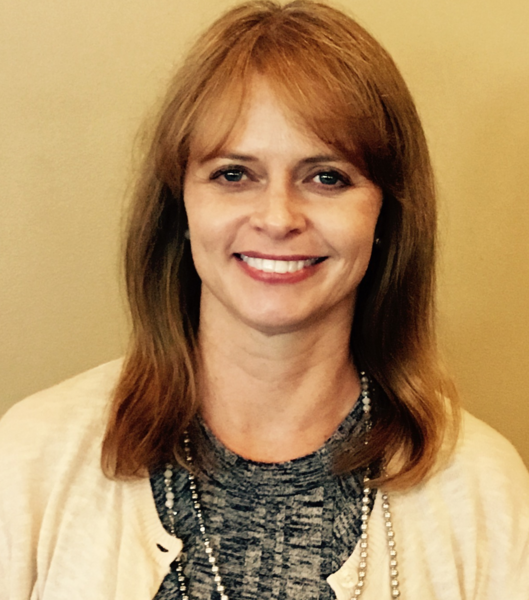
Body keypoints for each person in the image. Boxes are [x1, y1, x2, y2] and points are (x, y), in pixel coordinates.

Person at [1, 1, 528, 599]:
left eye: (327, 176)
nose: (278, 218)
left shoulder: (483, 491)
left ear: (385, 213)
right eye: (234, 174)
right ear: (181, 204)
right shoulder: (29, 464)